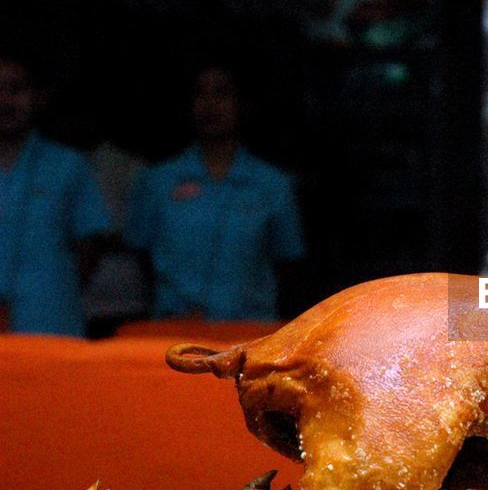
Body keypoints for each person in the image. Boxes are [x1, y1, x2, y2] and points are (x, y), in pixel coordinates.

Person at [126, 64, 304, 321]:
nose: (211, 104)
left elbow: (287, 263)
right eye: (200, 94)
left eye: (222, 93)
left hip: (250, 333)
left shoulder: (273, 184)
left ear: (243, 104)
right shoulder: (158, 181)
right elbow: (140, 254)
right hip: (173, 333)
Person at [0, 49, 112, 336]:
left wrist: (50, 292)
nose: (5, 100)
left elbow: (90, 248)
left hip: (51, 324)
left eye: (16, 89)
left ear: (39, 97)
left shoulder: (69, 166)